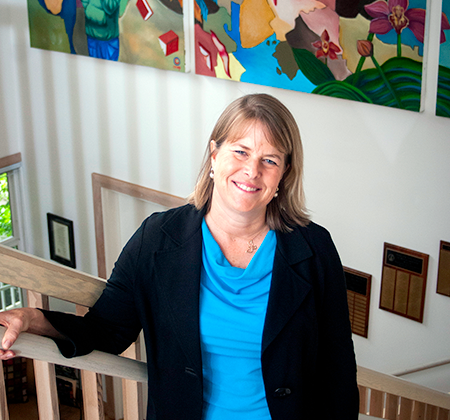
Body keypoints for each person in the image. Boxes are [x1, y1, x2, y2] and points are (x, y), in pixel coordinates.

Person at [0, 94, 359, 419]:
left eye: (270, 159)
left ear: (283, 175)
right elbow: (105, 330)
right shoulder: (157, 239)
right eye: (241, 151)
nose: (252, 171)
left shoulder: (315, 250)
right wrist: (30, 319)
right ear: (214, 155)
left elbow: (338, 370)